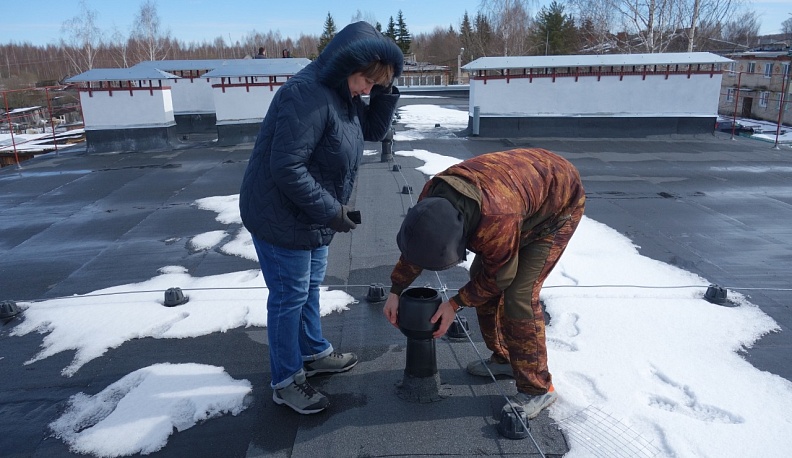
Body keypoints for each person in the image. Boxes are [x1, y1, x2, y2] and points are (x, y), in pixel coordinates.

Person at [239, 21, 402, 415]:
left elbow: (373, 132)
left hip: (311, 213)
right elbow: (287, 167)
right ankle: (285, 380)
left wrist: (385, 88)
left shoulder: (340, 92)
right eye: (366, 80)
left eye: (371, 84)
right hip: (281, 214)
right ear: (346, 65)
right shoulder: (307, 94)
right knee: (288, 297)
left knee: (308, 286)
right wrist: (332, 211)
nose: (366, 90)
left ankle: (312, 353)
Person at [383, 148, 585, 420]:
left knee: (519, 295)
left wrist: (455, 304)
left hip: (558, 206)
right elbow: (420, 242)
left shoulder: (496, 220)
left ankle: (538, 389)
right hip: (520, 194)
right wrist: (396, 289)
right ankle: (504, 358)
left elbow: (499, 276)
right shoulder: (432, 197)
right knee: (481, 277)